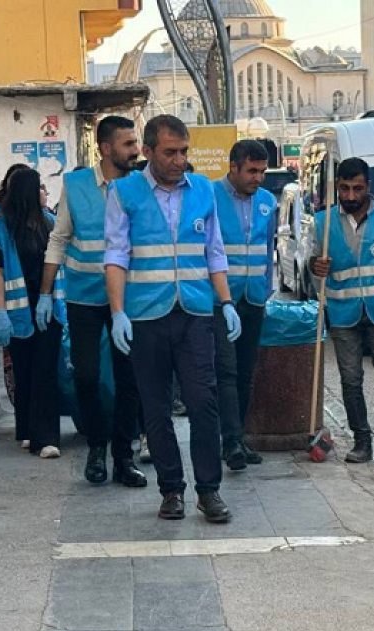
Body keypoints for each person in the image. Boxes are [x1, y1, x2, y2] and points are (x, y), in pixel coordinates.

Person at [104, 114, 239, 524]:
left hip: (196, 312)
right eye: (171, 152)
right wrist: (117, 312)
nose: (180, 160)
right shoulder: (124, 192)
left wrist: (226, 301)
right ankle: (171, 490)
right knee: (156, 407)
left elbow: (214, 251)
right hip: (146, 316)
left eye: (184, 151)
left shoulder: (202, 190)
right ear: (147, 152)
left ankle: (209, 491)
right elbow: (115, 255)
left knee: (203, 402)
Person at [39, 116, 147, 487]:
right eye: (129, 144)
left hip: (130, 299)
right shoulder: (76, 184)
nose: (136, 150)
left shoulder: (141, 186)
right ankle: (96, 448)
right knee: (85, 375)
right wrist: (45, 293)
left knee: (129, 378)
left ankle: (123, 456)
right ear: (105, 148)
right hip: (84, 297)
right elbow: (60, 238)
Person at [309, 157, 374, 475]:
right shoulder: (323, 222)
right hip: (343, 313)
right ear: (337, 188)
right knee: (351, 380)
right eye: (344, 188)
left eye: (357, 188)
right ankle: (362, 442)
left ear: (368, 187)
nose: (351, 195)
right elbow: (314, 267)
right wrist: (317, 267)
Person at [0, 169, 64, 458]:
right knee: (24, 370)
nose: (44, 191)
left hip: (47, 308)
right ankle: (28, 430)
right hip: (17, 311)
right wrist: (0, 312)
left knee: (44, 372)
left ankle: (47, 438)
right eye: (39, 187)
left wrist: (50, 300)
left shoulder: (50, 224)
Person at [214, 140, 278, 471]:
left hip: (253, 299)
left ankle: (238, 436)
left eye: (262, 171)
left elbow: (269, 250)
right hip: (221, 301)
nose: (258, 178)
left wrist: (266, 289)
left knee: (244, 372)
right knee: (224, 371)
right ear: (234, 167)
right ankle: (229, 440)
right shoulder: (210, 197)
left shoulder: (267, 202)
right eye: (252, 171)